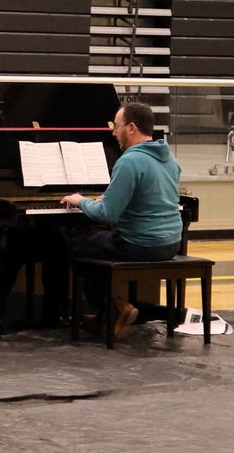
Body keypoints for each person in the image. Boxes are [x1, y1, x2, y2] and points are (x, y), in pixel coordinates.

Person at [60, 101, 183, 337]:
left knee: (77, 248)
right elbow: (149, 194)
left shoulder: (129, 161)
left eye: (116, 126)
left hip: (141, 243)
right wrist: (111, 197)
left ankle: (114, 308)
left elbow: (106, 214)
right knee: (97, 243)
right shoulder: (169, 159)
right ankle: (114, 310)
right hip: (169, 243)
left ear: (132, 128)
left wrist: (79, 200)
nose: (113, 132)